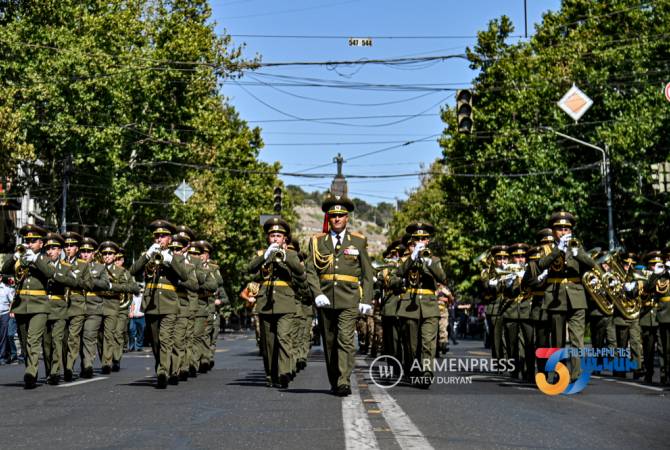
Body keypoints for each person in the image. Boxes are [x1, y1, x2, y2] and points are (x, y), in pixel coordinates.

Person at [305, 193, 374, 396]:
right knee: (329, 342)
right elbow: (311, 270)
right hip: (325, 299)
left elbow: (367, 273)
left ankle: (344, 380)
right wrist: (317, 293)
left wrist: (366, 300)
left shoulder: (358, 242)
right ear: (329, 218)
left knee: (345, 339)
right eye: (333, 216)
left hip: (349, 299)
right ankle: (335, 379)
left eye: (341, 215)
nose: (337, 219)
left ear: (347, 218)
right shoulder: (317, 242)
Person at [129, 220, 190, 389]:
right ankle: (165, 368)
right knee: (156, 342)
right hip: (151, 304)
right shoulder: (148, 253)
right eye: (157, 236)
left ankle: (163, 372)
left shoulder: (175, 257)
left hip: (169, 303)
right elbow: (132, 271)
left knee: (166, 339)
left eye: (163, 236)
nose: (159, 239)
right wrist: (148, 255)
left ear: (170, 239)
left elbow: (184, 276)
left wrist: (169, 259)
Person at [538, 211, 596, 381]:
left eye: (566, 228)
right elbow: (541, 265)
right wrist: (558, 250)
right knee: (557, 340)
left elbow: (592, 264)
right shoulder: (547, 248)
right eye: (560, 229)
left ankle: (576, 374)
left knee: (577, 339)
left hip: (577, 296)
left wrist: (579, 254)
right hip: (555, 297)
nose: (564, 232)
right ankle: (558, 373)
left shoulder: (577, 245)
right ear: (553, 231)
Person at [249, 217, 306, 388]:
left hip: (285, 302)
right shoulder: (261, 254)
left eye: (278, 236)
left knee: (284, 338)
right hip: (265, 301)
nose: (275, 238)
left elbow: (299, 271)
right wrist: (266, 256)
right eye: (272, 235)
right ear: (268, 238)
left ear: (285, 239)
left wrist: (285, 256)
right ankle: (271, 374)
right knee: (268, 343)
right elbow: (250, 269)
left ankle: (284, 373)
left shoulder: (292, 254)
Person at [396, 222, 446, 388]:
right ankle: (412, 369)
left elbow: (442, 278)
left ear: (428, 240)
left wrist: (428, 263)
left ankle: (426, 373)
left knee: (428, 342)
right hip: (409, 305)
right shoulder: (406, 260)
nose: (420, 241)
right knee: (411, 344)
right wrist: (412, 258)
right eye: (417, 239)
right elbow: (399, 273)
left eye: (423, 238)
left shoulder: (434, 260)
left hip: (430, 305)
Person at [0, 275, 14, 365]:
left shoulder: (6, 288)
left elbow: (12, 300)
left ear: (0, 278)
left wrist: (11, 311)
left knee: (3, 336)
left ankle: (1, 357)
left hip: (4, 314)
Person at [128, 286, 145, 351]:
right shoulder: (131, 296)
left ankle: (139, 347)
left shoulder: (143, 296)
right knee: (132, 332)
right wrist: (130, 312)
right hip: (133, 317)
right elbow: (131, 305)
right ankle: (131, 346)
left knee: (141, 332)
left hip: (141, 317)